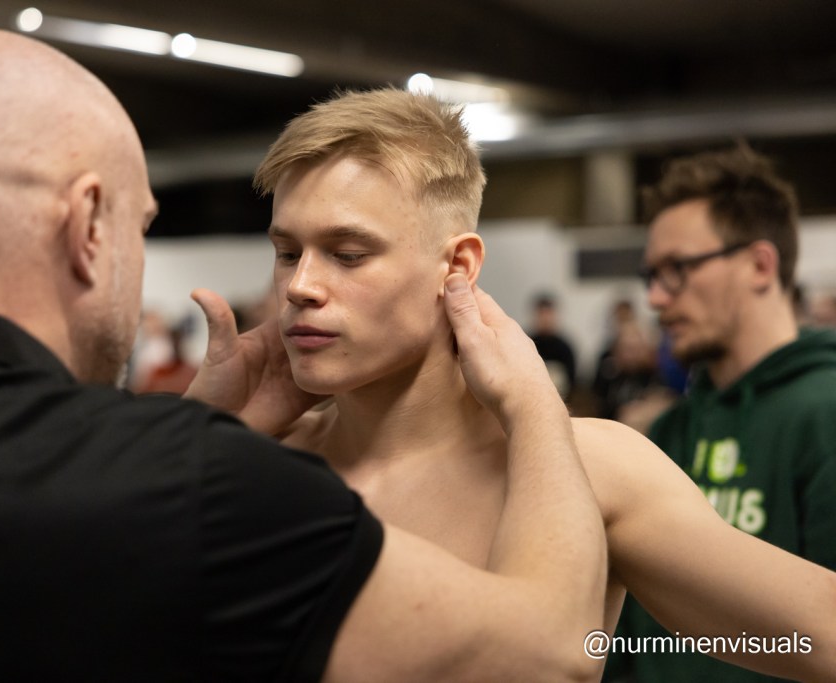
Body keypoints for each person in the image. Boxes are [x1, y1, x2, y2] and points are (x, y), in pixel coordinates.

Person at [0, 30, 611, 681]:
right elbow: (554, 654)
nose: (301, 285)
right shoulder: (190, 482)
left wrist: (196, 433)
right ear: (88, 227)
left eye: (347, 252)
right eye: (140, 226)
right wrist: (533, 401)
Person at [190, 88, 836, 681]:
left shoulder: (588, 466)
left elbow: (819, 635)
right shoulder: (258, 462)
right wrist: (196, 436)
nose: (301, 285)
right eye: (287, 252)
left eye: (348, 254)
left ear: (457, 265)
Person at [612, 145, 836, 682]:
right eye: (651, 275)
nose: (656, 298)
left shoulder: (825, 414)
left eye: (677, 269)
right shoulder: (670, 431)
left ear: (760, 265)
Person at [528, 292, 577, 398]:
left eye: (548, 315)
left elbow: (572, 381)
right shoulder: (527, 344)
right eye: (542, 315)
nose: (545, 319)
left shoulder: (564, 348)